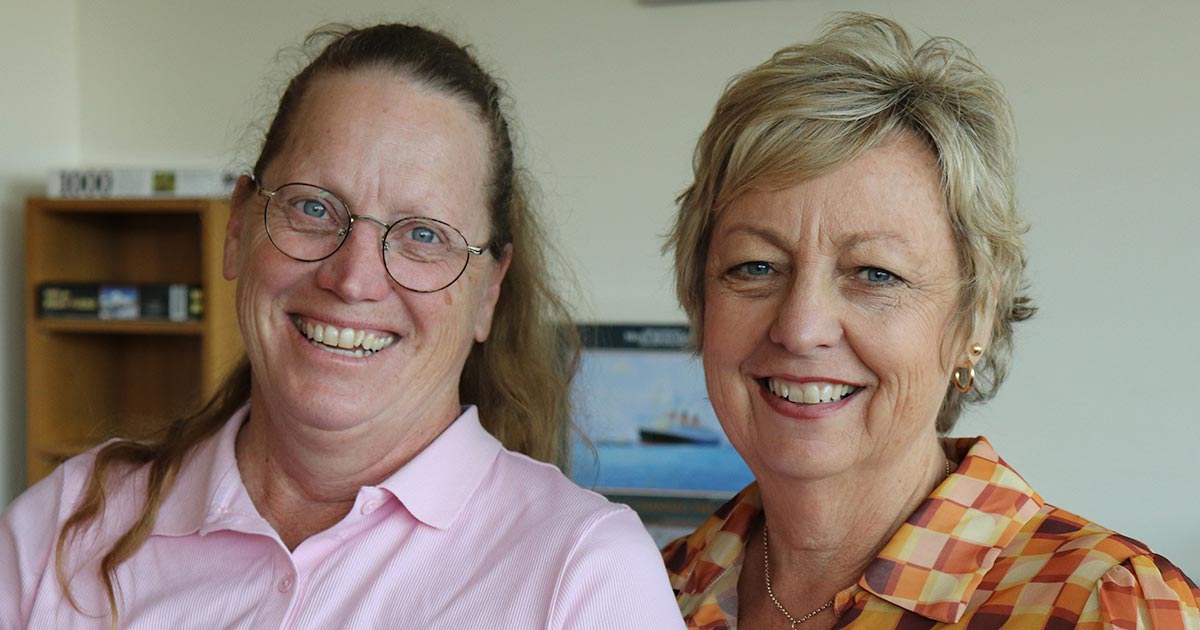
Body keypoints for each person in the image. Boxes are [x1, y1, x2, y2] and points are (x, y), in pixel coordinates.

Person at [1, 23, 684, 629]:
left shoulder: (583, 575)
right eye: (314, 208)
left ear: (489, 292)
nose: (354, 278)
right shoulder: (63, 527)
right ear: (238, 228)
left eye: (423, 234)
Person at [660, 13, 1199, 629]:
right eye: (756, 267)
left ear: (976, 317)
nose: (802, 327)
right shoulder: (643, 591)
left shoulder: (1106, 607)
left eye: (875, 274)